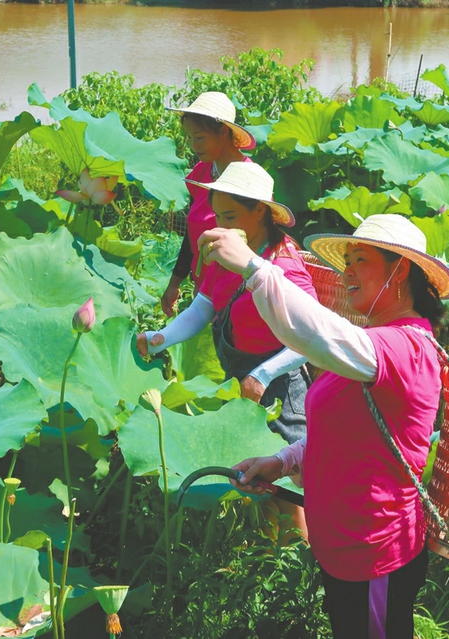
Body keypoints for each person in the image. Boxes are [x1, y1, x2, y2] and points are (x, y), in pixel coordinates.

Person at [200, 214, 449, 639]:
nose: (348, 271)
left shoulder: (404, 346)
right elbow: (343, 432)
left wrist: (254, 267)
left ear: (400, 271)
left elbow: (313, 331)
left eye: (361, 259)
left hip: (376, 552)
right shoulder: (372, 341)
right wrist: (282, 461)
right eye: (347, 260)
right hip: (344, 549)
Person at [136, 162, 318, 536]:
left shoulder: (283, 266)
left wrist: (264, 374)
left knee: (286, 487)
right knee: (260, 483)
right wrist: (160, 338)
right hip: (243, 376)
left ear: (261, 212)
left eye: (231, 214)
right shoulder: (228, 253)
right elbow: (203, 306)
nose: (220, 223)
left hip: (281, 382)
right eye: (217, 214)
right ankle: (271, 555)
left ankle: (300, 568)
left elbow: (313, 339)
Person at [161, 91, 255, 317]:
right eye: (189, 137)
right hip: (203, 292)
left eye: (200, 137)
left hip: (240, 293)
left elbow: (262, 243)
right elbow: (192, 236)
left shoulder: (250, 180)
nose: (193, 145)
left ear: (223, 132)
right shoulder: (201, 173)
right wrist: (175, 283)